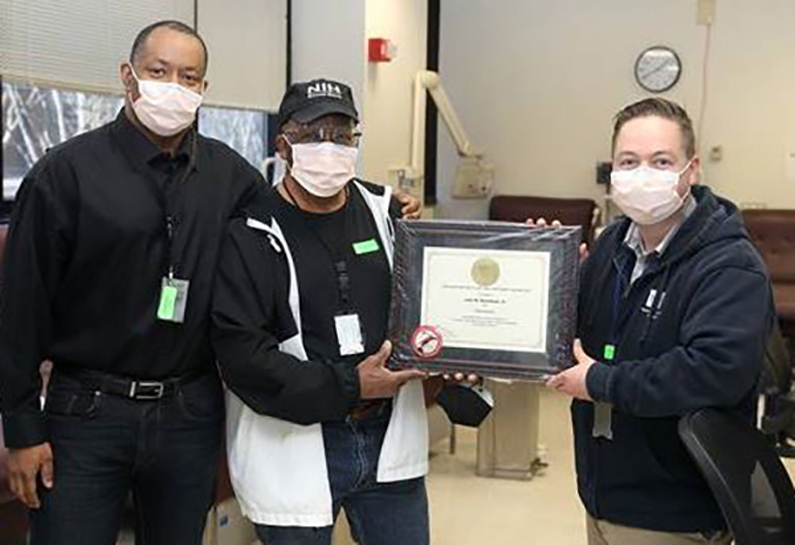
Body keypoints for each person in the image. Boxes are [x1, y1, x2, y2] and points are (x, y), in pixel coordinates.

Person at [0, 22, 420, 545]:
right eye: (159, 72)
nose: (173, 86)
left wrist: (388, 204)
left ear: (202, 89)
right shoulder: (65, 174)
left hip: (188, 410)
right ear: (128, 78)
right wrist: (21, 429)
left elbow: (303, 198)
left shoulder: (228, 173)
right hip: (88, 410)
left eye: (189, 76)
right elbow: (21, 308)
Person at [212, 78, 431, 545]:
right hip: (296, 444)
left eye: (341, 133)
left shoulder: (387, 213)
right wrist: (352, 385)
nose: (327, 146)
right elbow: (243, 357)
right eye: (311, 134)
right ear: (283, 143)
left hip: (388, 436)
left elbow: (424, 307)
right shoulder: (251, 231)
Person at [546, 98, 773, 545]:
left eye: (661, 161)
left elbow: (713, 372)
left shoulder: (728, 265)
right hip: (605, 495)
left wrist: (600, 383)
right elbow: (577, 338)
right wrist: (548, 277)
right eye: (629, 161)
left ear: (691, 170)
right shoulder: (613, 244)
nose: (642, 173)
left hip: (674, 513)